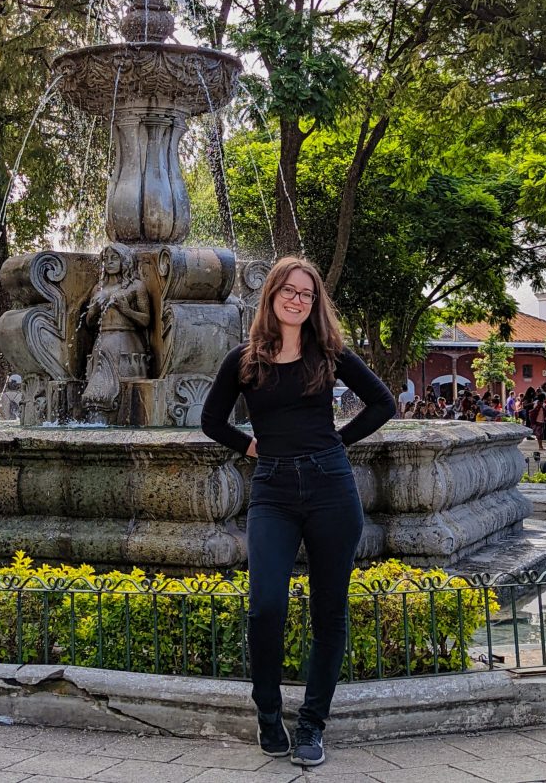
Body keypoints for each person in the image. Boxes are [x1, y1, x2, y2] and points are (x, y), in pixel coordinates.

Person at [201, 256, 395, 767]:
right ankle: (268, 713)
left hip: (332, 487)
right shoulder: (244, 360)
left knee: (328, 612)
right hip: (274, 491)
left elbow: (382, 403)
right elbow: (211, 420)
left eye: (306, 294)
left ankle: (312, 725)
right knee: (266, 604)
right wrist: (250, 449)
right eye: (288, 290)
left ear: (315, 303)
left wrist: (337, 440)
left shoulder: (329, 352)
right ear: (271, 295)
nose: (297, 299)